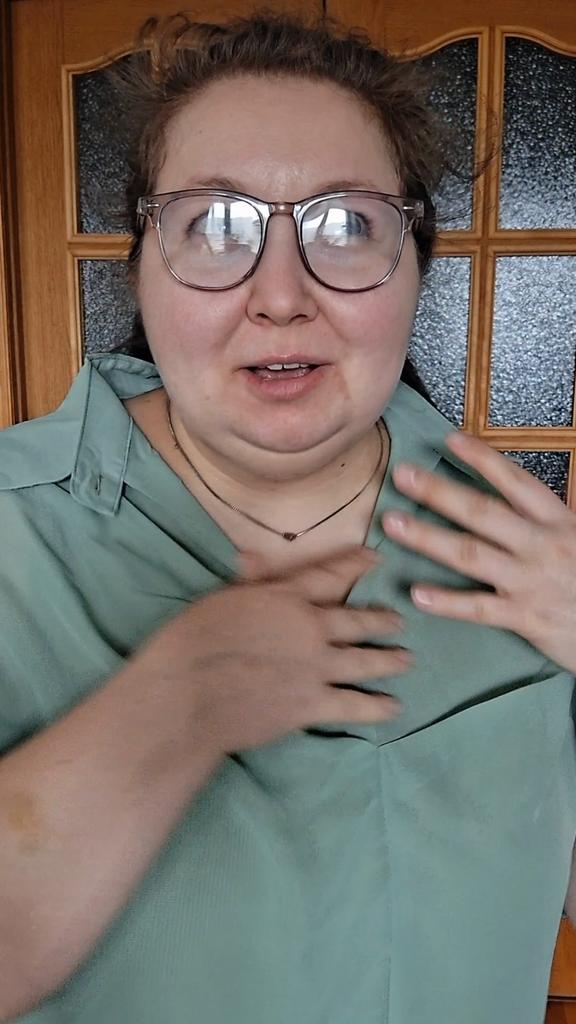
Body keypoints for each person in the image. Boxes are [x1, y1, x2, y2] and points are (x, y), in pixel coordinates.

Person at [0, 11, 575, 1024]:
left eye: (346, 226)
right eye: (214, 227)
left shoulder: (533, 553)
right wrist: (174, 706)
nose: (279, 296)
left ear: (416, 268)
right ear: (140, 267)